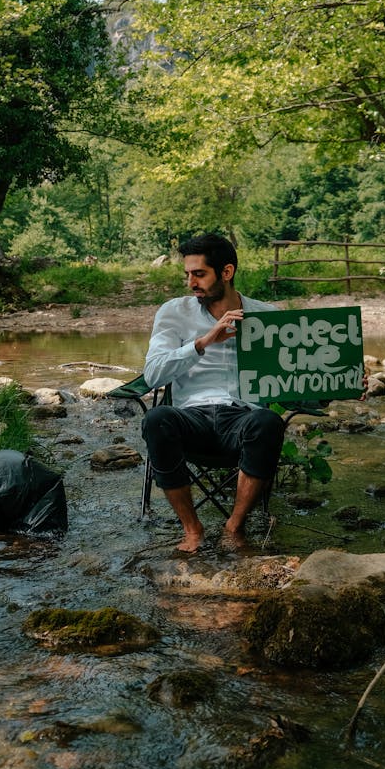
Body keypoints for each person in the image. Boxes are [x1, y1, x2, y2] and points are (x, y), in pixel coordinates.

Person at [141, 232, 285, 552]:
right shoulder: (173, 313)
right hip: (192, 418)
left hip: (244, 420)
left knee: (268, 421)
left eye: (199, 274)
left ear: (227, 272)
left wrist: (342, 384)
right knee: (156, 419)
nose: (191, 282)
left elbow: (296, 378)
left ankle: (234, 528)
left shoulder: (269, 315)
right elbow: (152, 374)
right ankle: (192, 530)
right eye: (188, 274)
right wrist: (202, 343)